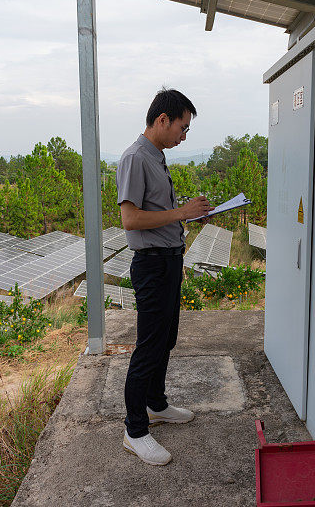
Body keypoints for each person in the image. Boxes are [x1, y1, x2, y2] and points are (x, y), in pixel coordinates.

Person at [116, 88, 214, 465]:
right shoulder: (135, 158)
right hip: (152, 266)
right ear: (162, 120)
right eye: (183, 127)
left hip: (169, 261)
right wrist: (180, 213)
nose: (184, 136)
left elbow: (158, 212)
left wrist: (186, 217)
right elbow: (131, 219)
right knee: (149, 346)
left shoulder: (156, 158)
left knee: (166, 339)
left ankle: (156, 405)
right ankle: (135, 430)